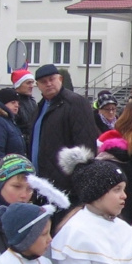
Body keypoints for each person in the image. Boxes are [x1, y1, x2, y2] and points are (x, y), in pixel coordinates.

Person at [29, 64, 99, 205]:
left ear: (60, 79)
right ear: (38, 86)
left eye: (52, 79)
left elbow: (86, 148)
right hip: (42, 185)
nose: (48, 84)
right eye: (43, 82)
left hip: (65, 188)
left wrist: (76, 185)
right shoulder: (40, 107)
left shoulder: (75, 103)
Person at [10, 68, 38, 146]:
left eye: (32, 83)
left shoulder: (32, 101)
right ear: (18, 85)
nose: (32, 86)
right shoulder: (12, 102)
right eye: (28, 83)